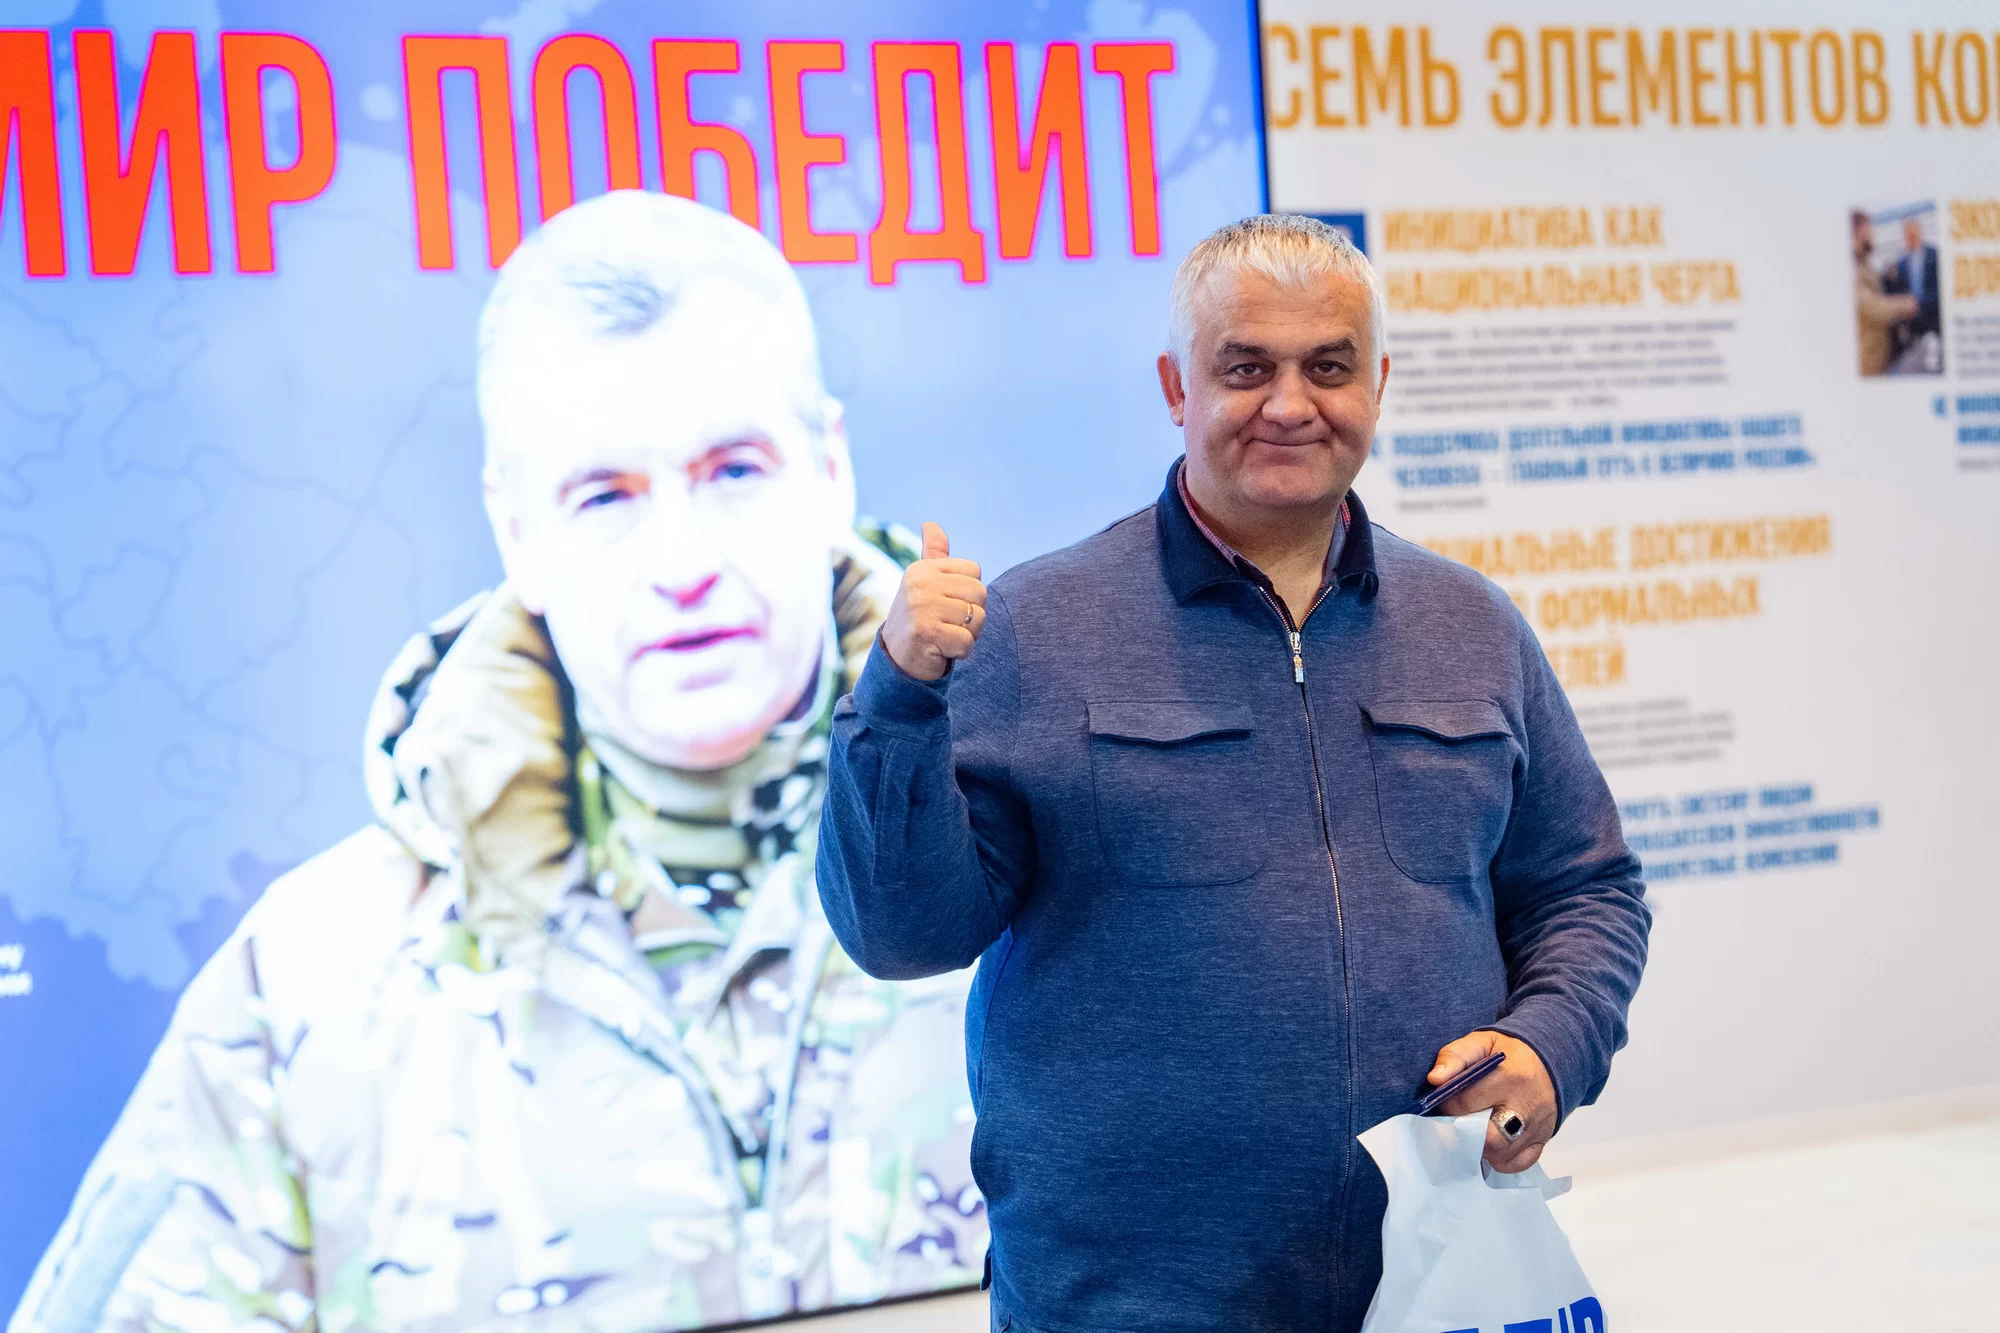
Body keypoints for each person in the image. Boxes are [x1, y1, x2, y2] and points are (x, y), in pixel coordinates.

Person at [15, 191, 984, 1333]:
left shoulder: (1056, 841)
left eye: (733, 471)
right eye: (605, 495)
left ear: (828, 469)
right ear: (515, 530)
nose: (682, 562)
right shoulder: (304, 988)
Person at [817, 214, 1653, 1332]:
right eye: (1245, 368)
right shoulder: (1034, 627)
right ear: (1177, 386)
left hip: (1435, 1278)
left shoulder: (1471, 628)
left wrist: (1551, 1046)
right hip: (1129, 1300)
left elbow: (1586, 888)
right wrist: (896, 695)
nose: (1290, 403)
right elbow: (901, 932)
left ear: (1378, 384)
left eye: (1328, 368)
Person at [1852, 209, 1917, 377]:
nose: (1872, 236)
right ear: (1858, 232)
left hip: (1882, 357)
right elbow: (1872, 307)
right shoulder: (1851, 267)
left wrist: (1888, 277)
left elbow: (1874, 291)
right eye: (1869, 230)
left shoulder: (1864, 264)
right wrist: (1905, 304)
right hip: (1870, 365)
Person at [1884, 213, 1942, 369]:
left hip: (1934, 319)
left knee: (1935, 361)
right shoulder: (1901, 263)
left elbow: (1941, 290)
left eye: (1912, 230)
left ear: (1919, 230)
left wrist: (1919, 303)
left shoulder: (1935, 255)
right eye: (1906, 232)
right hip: (1913, 326)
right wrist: (1889, 278)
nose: (1909, 235)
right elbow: (1898, 292)